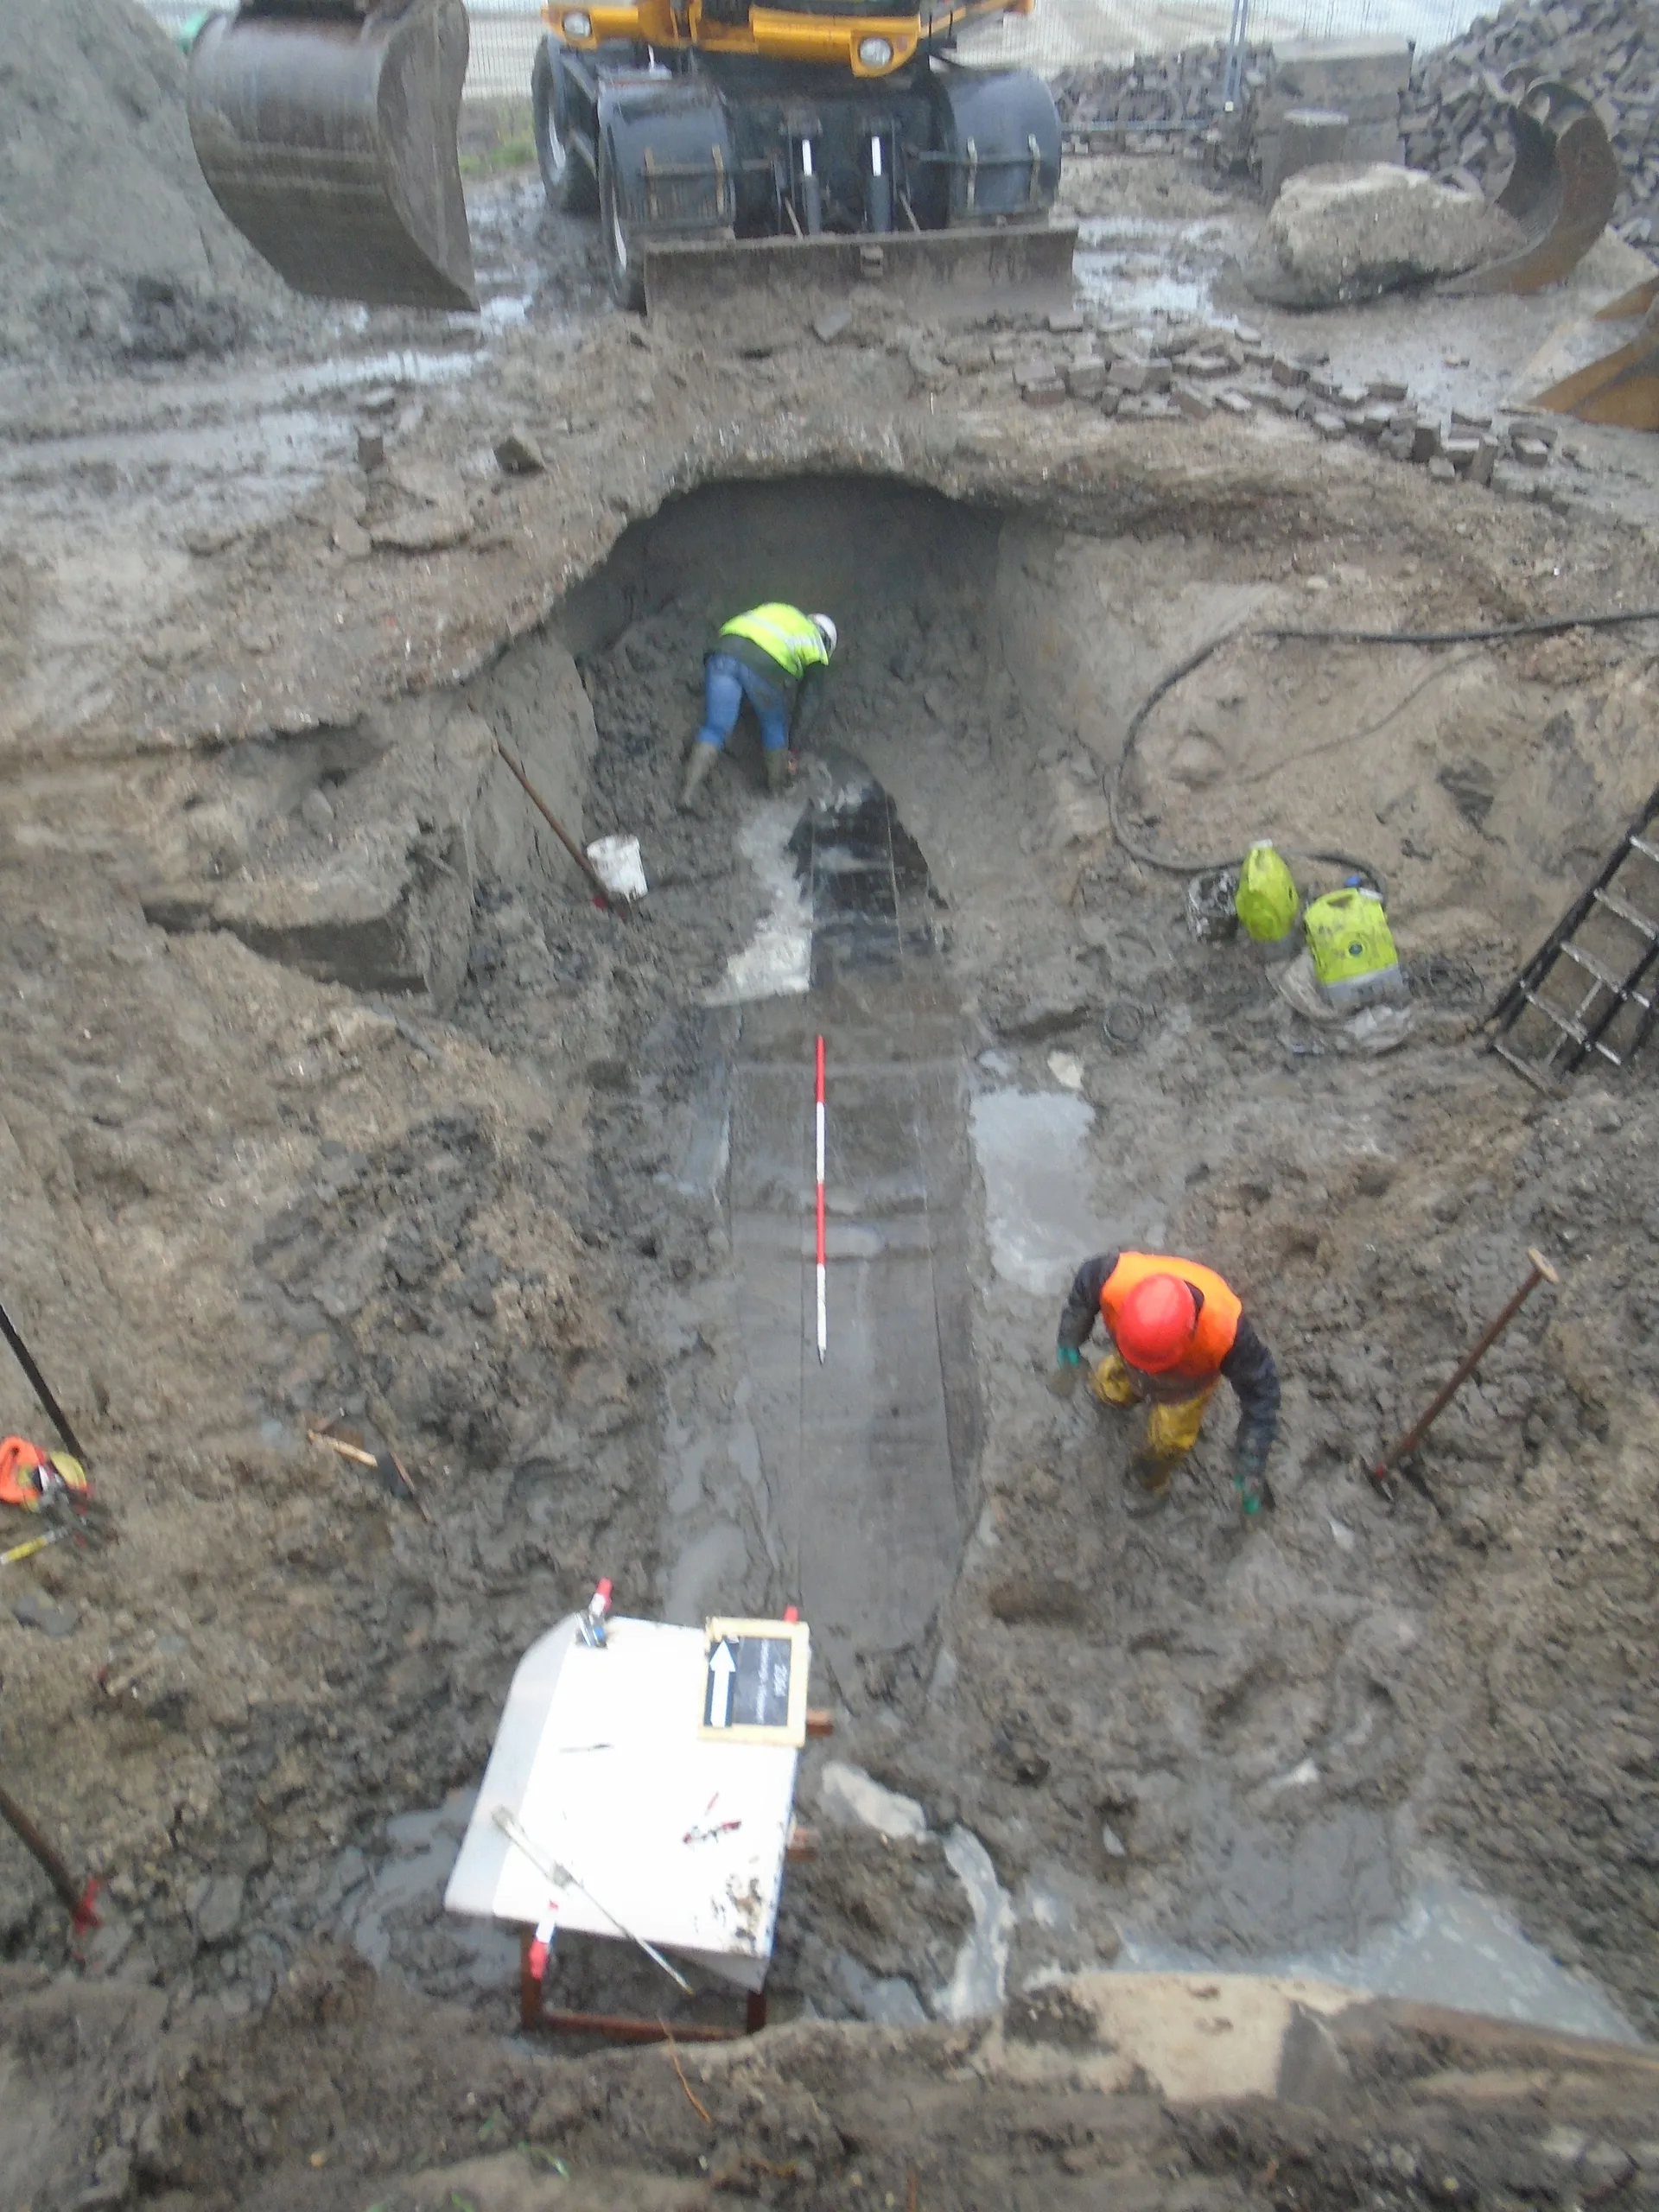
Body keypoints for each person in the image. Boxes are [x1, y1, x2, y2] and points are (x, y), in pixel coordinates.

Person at [1052, 1250, 1279, 1515]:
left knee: (1168, 1442)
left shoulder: (1227, 1331)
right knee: (1107, 1387)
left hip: (1187, 1384)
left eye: (1150, 1371)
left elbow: (1261, 1391)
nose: (1145, 1378)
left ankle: (1148, 1483)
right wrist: (1070, 1338)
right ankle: (1119, 1388)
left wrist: (1252, 1454)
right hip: (1128, 1357)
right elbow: (1083, 1293)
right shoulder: (1113, 1278)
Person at [680, 606, 837, 810]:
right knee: (774, 724)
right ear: (827, 643)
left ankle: (688, 793)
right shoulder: (816, 644)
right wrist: (794, 750)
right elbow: (810, 702)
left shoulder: (783, 611)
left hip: (724, 649)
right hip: (761, 666)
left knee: (715, 727)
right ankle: (777, 791)